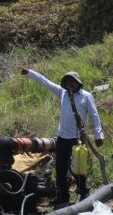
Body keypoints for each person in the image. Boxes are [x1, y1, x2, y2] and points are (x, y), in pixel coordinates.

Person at [20, 67, 104, 206]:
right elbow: (45, 82)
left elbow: (94, 116)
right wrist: (29, 73)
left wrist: (98, 135)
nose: (70, 84)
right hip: (62, 138)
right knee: (60, 169)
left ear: (78, 83)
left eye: (73, 81)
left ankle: (84, 193)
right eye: (67, 81)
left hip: (76, 139)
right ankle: (63, 197)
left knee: (78, 168)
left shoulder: (86, 96)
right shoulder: (63, 93)